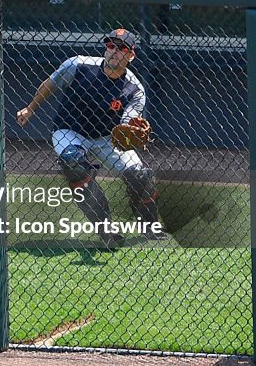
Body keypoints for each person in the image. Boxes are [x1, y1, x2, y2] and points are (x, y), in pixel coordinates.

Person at [15, 29, 166, 249]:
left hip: (106, 137)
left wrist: (129, 127)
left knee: (140, 175)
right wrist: (30, 108)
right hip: (70, 130)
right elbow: (50, 83)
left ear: (131, 55)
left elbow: (129, 119)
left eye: (121, 48)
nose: (114, 51)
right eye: (110, 46)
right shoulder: (78, 65)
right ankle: (106, 230)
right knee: (73, 162)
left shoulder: (134, 89)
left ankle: (149, 225)